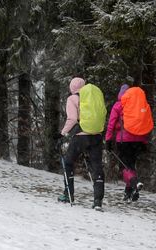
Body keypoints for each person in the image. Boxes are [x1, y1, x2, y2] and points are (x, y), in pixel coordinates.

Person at [55, 77, 105, 210]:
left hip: (81, 136)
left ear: (72, 88)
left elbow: (72, 119)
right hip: (97, 135)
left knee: (68, 162)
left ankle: (68, 194)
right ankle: (98, 200)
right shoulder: (93, 97)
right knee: (97, 166)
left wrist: (62, 133)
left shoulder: (72, 99)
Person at [105, 84, 146, 201]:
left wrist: (108, 140)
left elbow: (111, 125)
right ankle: (129, 192)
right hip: (138, 140)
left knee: (124, 167)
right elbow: (144, 124)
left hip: (124, 140)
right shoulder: (138, 106)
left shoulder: (118, 105)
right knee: (131, 165)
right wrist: (144, 141)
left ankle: (134, 182)